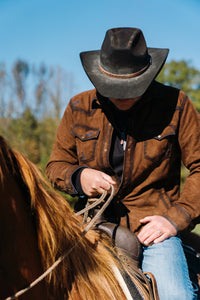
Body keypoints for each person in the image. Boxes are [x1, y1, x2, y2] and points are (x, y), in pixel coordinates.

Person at [46, 27, 200, 299]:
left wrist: (176, 219)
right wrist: (79, 177)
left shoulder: (177, 105)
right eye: (114, 87)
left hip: (154, 232)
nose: (122, 95)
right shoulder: (77, 107)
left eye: (131, 88)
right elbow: (56, 165)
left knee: (176, 295)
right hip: (89, 228)